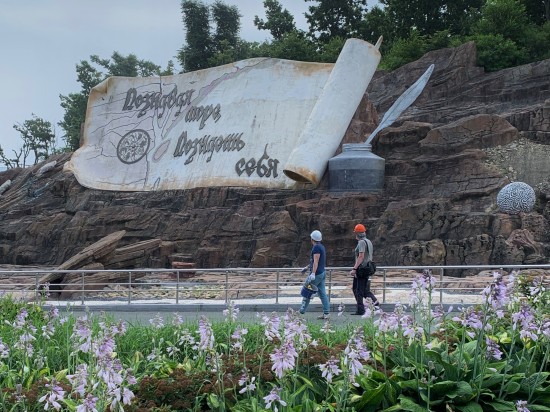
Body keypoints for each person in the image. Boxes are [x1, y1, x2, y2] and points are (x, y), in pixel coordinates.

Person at [299, 230, 330, 319]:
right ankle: (326, 313)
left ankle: (301, 311)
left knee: (307, 291)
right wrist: (307, 267)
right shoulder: (321, 247)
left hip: (316, 275)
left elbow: (316, 261)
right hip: (322, 273)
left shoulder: (316, 248)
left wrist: (313, 273)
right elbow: (314, 261)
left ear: (312, 239)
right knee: (322, 294)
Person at [349, 224, 379, 315]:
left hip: (362, 269)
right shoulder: (368, 241)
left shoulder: (361, 242)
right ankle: (374, 304)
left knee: (359, 290)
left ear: (357, 233)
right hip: (367, 268)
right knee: (359, 289)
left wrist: (354, 269)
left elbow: (361, 256)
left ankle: (362, 309)